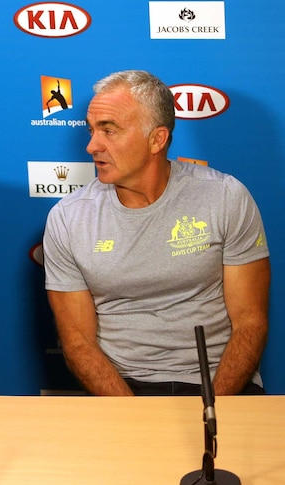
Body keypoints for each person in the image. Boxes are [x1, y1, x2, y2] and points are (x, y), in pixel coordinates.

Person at [43, 70, 270, 396]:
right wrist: (133, 414)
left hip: (220, 383)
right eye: (92, 130)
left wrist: (216, 408)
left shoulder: (225, 196)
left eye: (109, 130)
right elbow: (77, 340)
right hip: (124, 388)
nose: (92, 145)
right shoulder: (68, 218)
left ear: (157, 139)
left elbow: (251, 320)